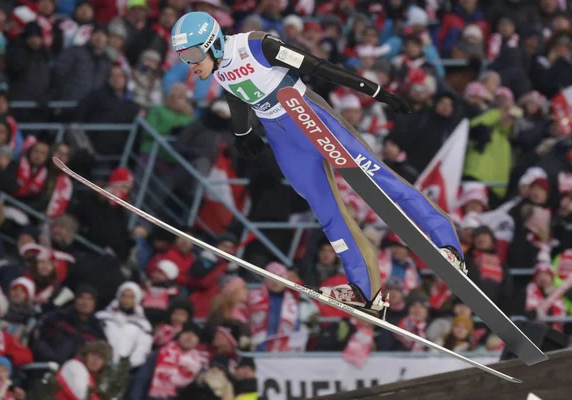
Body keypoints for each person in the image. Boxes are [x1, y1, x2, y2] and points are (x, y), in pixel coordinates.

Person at [170, 12, 466, 314]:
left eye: (192, 55)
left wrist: (374, 90)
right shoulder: (216, 67)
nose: (190, 65)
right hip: (282, 138)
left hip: (308, 114)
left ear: (214, 43)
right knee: (326, 210)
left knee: (377, 179)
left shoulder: (257, 45)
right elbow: (234, 91)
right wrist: (242, 131)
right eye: (183, 58)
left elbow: (318, 66)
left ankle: (447, 242)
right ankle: (366, 290)